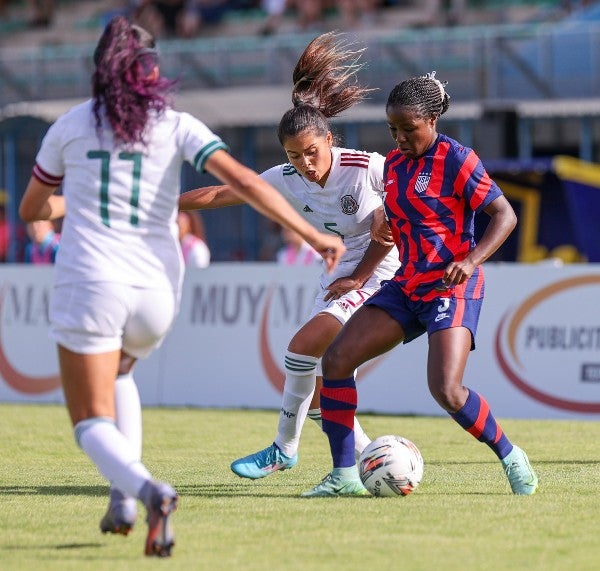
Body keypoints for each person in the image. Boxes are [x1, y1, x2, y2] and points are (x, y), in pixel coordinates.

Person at [18, 16, 344, 557]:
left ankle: (147, 491)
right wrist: (312, 234)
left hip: (93, 282)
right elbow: (240, 181)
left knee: (87, 420)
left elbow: (34, 208)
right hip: (157, 291)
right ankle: (122, 499)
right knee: (124, 370)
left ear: (99, 69)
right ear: (153, 72)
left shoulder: (69, 126)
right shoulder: (175, 124)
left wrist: (71, 202)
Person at [301, 71, 540, 497]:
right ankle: (343, 476)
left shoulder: (457, 159)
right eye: (393, 129)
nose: (400, 138)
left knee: (446, 389)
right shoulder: (392, 166)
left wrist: (469, 260)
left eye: (408, 129)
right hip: (406, 285)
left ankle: (510, 454)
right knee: (336, 361)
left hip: (452, 286)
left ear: (432, 120)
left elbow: (505, 216)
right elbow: (391, 228)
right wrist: (361, 271)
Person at [179, 32, 399, 481]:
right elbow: (224, 192)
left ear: (330, 139)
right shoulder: (285, 176)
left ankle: (283, 449)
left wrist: (360, 275)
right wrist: (164, 201)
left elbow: (390, 231)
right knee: (316, 391)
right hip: (338, 275)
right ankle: (368, 458)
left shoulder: (366, 168)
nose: (306, 164)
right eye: (295, 156)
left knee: (301, 348)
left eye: (312, 152)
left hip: (378, 275)